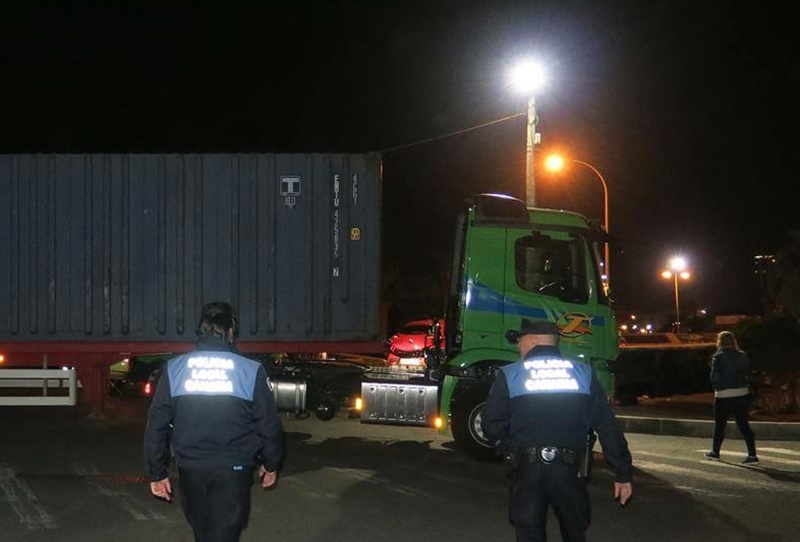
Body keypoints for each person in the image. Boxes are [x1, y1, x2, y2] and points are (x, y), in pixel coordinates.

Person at [143, 301, 285, 542]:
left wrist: (156, 472)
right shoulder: (249, 370)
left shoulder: (176, 368)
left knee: (204, 533)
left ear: (202, 329)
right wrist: (271, 463)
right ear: (231, 330)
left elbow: (156, 423)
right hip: (233, 467)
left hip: (190, 468)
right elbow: (268, 424)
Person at [482, 319, 633, 542]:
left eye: (520, 341)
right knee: (574, 531)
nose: (518, 347)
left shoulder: (511, 374)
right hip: (570, 470)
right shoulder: (583, 374)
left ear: (532, 342)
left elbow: (490, 424)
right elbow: (606, 425)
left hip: (526, 468)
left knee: (528, 531)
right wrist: (622, 472)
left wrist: (513, 441)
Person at [704, 330, 758, 464]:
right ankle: (752, 455)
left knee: (720, 425)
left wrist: (718, 387)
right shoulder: (743, 355)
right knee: (743, 424)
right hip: (741, 393)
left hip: (724, 394)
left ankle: (715, 452)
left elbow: (714, 376)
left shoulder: (719, 356)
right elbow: (747, 373)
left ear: (720, 342)